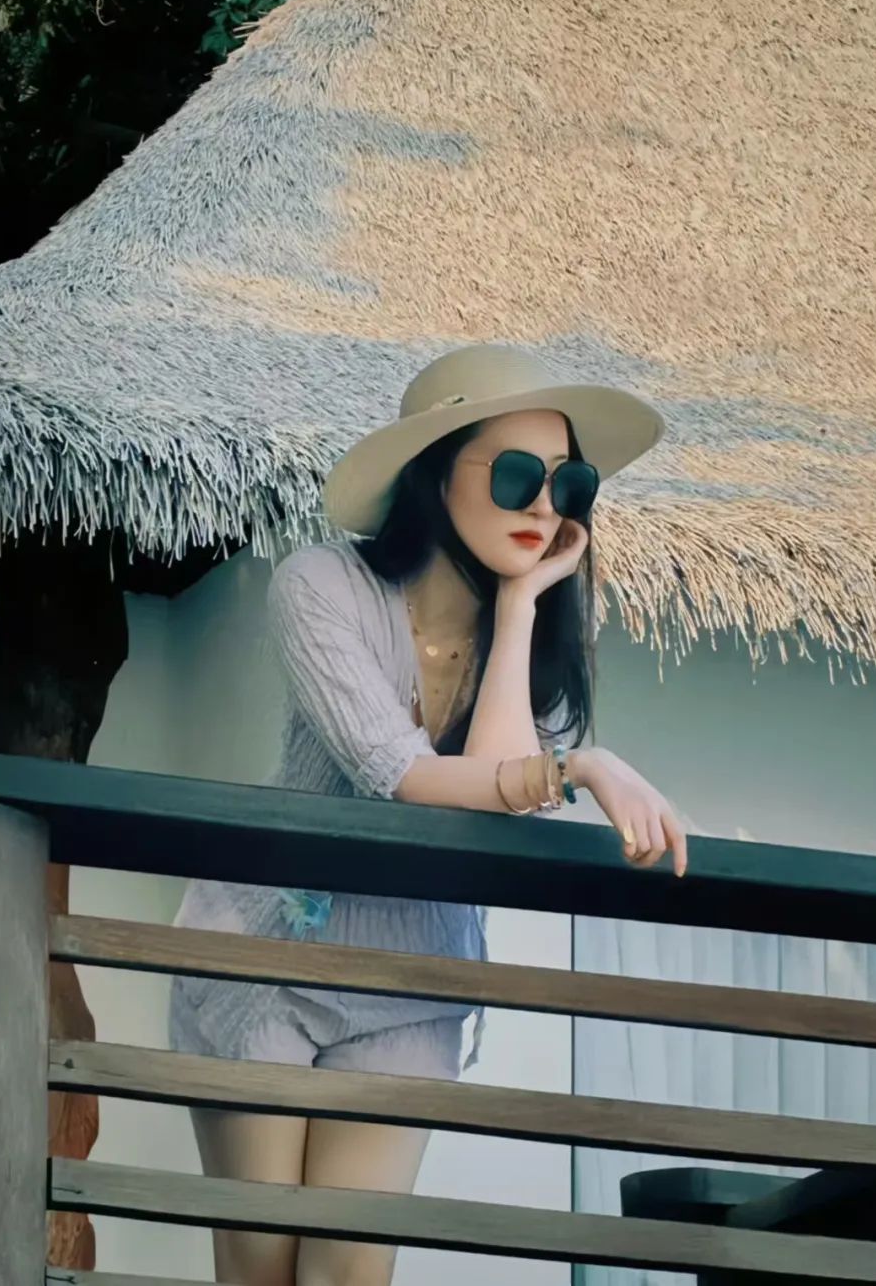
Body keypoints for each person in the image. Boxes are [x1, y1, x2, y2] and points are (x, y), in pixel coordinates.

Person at [168, 343, 689, 1286]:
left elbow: (487, 805)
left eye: (570, 484)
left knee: (350, 1276)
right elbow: (397, 771)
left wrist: (521, 605)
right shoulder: (320, 585)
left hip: (413, 971)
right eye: (519, 475)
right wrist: (579, 766)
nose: (546, 506)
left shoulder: (528, 633)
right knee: (259, 1268)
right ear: (436, 472)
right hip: (268, 952)